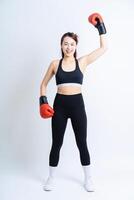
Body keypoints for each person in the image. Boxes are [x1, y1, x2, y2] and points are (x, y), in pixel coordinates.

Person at [39, 13, 107, 192]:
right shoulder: (55, 63)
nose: (68, 47)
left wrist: (100, 27)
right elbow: (43, 84)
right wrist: (42, 101)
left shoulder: (82, 61)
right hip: (59, 106)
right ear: (61, 45)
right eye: (65, 43)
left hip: (77, 105)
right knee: (56, 143)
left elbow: (104, 48)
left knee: (82, 143)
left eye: (72, 44)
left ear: (76, 46)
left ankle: (88, 179)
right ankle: (51, 178)